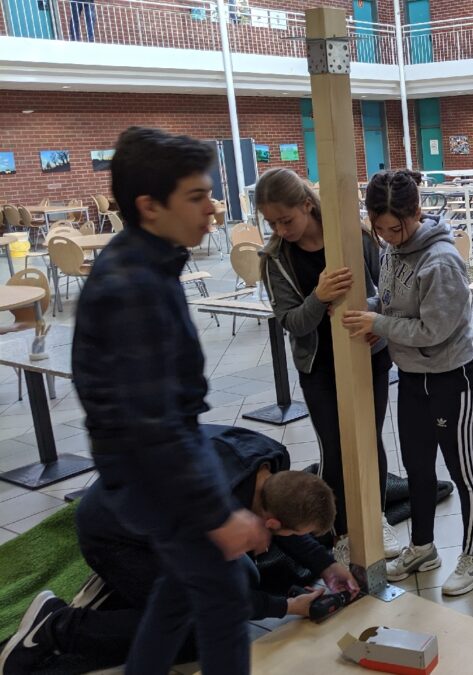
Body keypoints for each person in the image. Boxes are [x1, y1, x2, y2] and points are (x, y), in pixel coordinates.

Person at [67, 127, 269, 675]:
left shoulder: (146, 264)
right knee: (226, 596)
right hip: (154, 477)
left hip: (149, 469)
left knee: (181, 592)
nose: (211, 209)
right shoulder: (134, 288)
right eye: (196, 196)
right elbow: (154, 425)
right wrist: (217, 514)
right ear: (150, 206)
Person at [0, 426, 358, 674]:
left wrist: (326, 565)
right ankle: (57, 627)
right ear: (272, 523)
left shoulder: (270, 462)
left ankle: (118, 593)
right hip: (111, 536)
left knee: (247, 572)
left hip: (137, 506)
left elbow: (279, 523)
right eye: (295, 532)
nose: (295, 537)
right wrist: (287, 607)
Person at [341, 170, 473, 597]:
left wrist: (378, 324)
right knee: (418, 468)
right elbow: (393, 305)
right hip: (411, 377)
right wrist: (369, 311)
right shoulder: (392, 251)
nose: (390, 237)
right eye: (381, 229)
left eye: (398, 228)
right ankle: (422, 547)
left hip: (453, 379)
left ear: (417, 212)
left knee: (464, 471)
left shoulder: (441, 260)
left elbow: (433, 330)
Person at [256, 167, 403, 563]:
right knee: (335, 450)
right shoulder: (275, 260)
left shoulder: (357, 238)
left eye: (286, 220)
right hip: (319, 368)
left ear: (307, 205)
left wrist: (376, 322)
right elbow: (291, 322)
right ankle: (341, 532)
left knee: (369, 440)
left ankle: (376, 519)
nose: (280, 229)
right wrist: (318, 297)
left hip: (367, 357)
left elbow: (388, 294)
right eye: (272, 223)